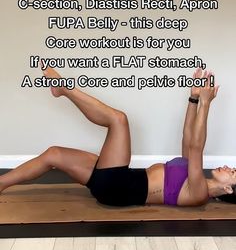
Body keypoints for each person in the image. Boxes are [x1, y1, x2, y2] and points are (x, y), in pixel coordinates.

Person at [0, 67, 235, 206]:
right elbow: (187, 141)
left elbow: (196, 148)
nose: (228, 167)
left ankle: (63, 88)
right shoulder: (196, 180)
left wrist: (206, 103)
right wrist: (194, 99)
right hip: (119, 181)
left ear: (228, 190)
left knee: (118, 120)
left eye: (233, 173)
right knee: (54, 154)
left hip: (118, 186)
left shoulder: (199, 193)